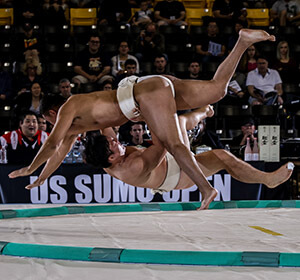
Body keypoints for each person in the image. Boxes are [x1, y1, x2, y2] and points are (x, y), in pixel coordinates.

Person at [8, 29, 276, 210]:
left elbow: (53, 144)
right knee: (217, 90)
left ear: (53, 114)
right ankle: (243, 41)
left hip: (142, 96)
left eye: (49, 121)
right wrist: (43, 176)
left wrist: (30, 168)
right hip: (150, 89)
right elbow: (59, 151)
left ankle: (205, 189)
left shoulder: (71, 107)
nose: (53, 126)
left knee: (176, 145)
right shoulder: (78, 124)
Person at [81, 106, 293, 200]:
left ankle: (205, 111)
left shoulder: (106, 157)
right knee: (223, 157)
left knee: (181, 121)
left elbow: (105, 123)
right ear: (112, 157)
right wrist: (147, 113)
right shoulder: (133, 166)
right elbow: (163, 143)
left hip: (168, 162)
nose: (116, 139)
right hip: (176, 177)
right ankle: (268, 180)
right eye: (113, 143)